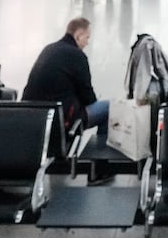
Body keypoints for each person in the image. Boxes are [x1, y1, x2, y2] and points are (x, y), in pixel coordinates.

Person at [23, 17, 109, 145]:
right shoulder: (78, 56)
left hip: (33, 118)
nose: (87, 42)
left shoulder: (48, 49)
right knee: (109, 108)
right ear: (78, 35)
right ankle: (100, 160)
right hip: (62, 120)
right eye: (87, 37)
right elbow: (88, 97)